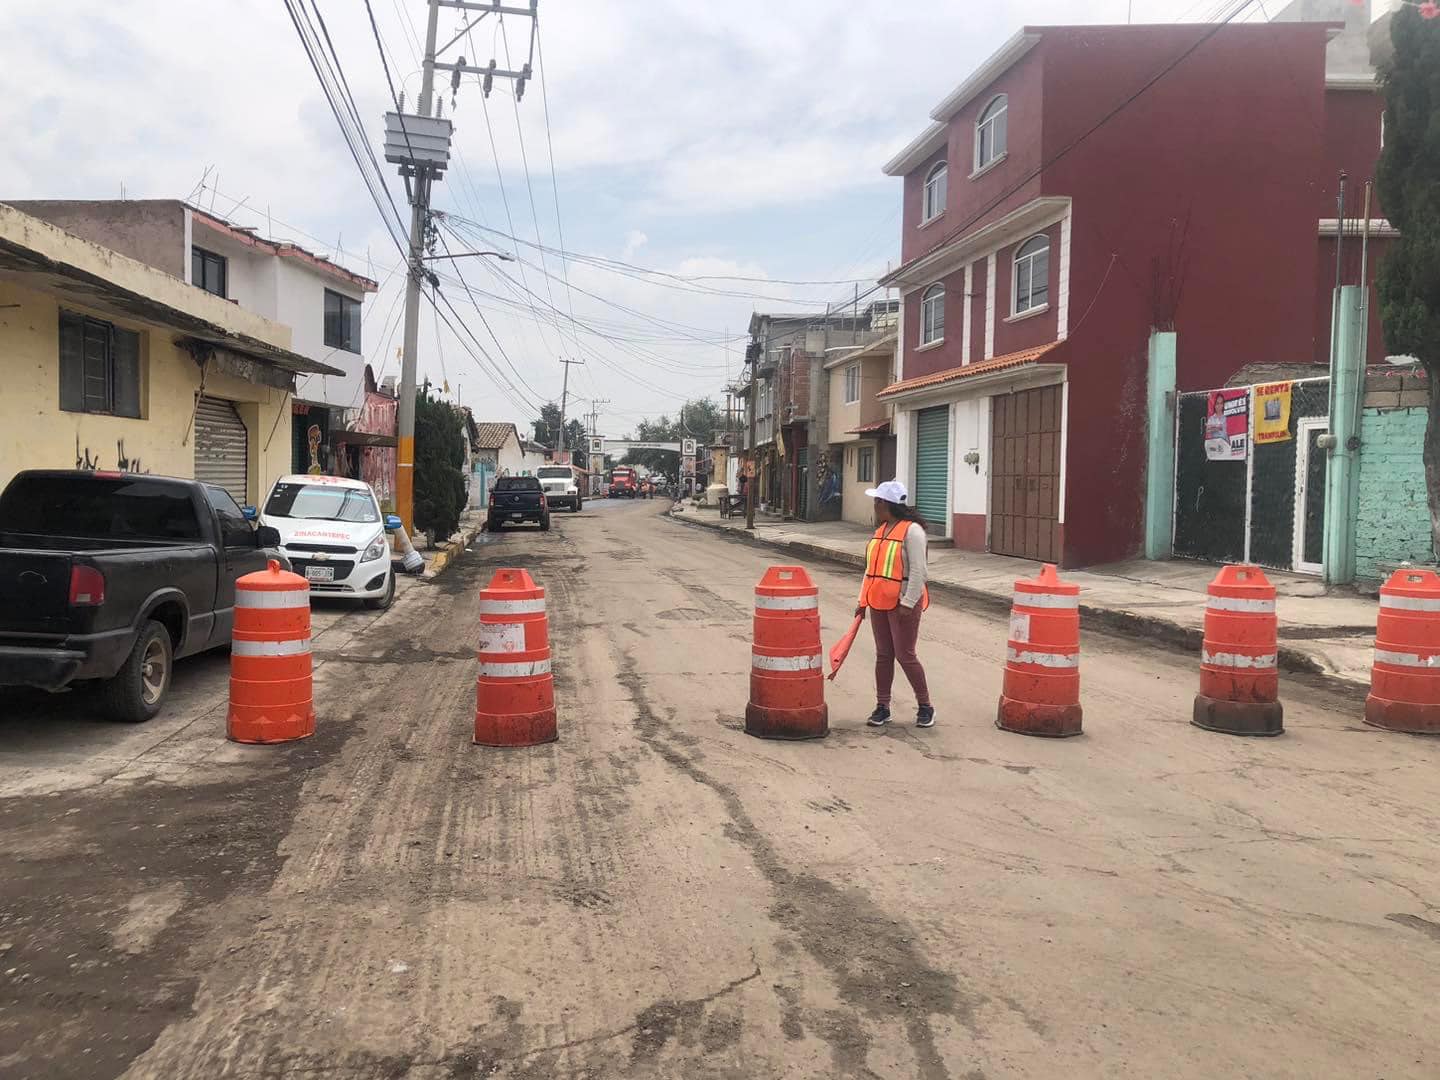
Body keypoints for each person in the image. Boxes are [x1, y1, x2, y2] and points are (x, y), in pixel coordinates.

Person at [855, 480, 933, 729]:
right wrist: (862, 601)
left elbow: (920, 572)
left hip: (902, 604)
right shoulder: (881, 531)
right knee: (884, 655)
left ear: (885, 504)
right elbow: (870, 570)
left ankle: (925, 706)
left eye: (876, 501)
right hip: (878, 601)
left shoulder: (912, 532)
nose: (874, 506)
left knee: (905, 655)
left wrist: (909, 602)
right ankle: (882, 706)